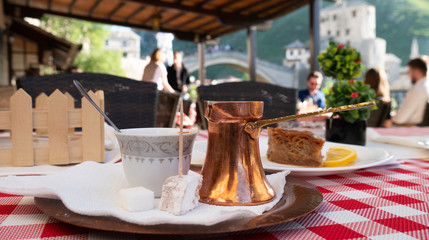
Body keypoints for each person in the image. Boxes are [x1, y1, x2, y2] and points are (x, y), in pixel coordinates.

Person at [392, 58, 429, 125]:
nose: (409, 75)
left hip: (410, 129)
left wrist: (392, 120)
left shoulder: (417, 90)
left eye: (409, 72)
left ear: (417, 71)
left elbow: (399, 120)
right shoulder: (425, 87)